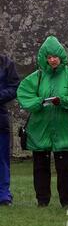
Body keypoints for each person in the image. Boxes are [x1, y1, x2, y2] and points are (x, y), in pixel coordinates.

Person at [17, 36, 68, 208]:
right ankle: (42, 200)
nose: (53, 60)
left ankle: (67, 201)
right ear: (44, 58)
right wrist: (39, 102)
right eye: (49, 57)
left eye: (55, 56)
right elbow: (24, 96)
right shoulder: (36, 77)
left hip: (63, 129)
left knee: (64, 169)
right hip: (41, 129)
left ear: (61, 56)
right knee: (40, 167)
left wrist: (62, 101)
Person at [0, 54, 20, 206]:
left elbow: (14, 87)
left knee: (2, 159)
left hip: (0, 118)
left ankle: (3, 195)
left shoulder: (6, 63)